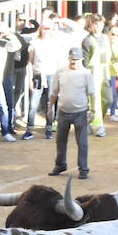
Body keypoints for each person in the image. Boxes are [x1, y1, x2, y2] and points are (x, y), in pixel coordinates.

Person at [48, 47, 92, 179]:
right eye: (72, 59)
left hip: (81, 112)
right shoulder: (60, 72)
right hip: (63, 111)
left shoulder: (86, 73)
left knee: (82, 143)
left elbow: (92, 93)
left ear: (81, 60)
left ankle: (83, 169)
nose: (74, 62)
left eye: (77, 60)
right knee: (60, 140)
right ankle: (60, 164)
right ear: (68, 59)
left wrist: (93, 110)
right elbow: (54, 92)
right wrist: (50, 107)